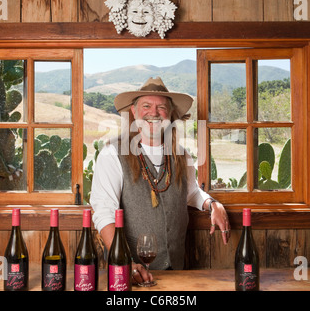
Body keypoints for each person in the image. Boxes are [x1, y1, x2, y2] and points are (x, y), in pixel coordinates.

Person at [90, 77, 230, 285]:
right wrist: (126, 263)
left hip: (176, 271)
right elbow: (103, 212)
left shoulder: (182, 156)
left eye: (161, 107)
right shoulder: (112, 153)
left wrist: (213, 204)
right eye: (146, 106)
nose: (154, 113)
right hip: (132, 276)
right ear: (134, 112)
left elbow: (190, 192)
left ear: (170, 115)